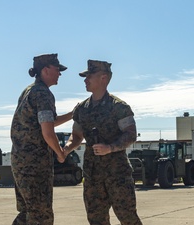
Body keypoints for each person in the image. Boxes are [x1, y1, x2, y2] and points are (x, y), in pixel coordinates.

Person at [63, 60, 142, 225]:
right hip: (92, 176)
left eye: (89, 76)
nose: (85, 80)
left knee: (128, 218)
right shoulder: (82, 109)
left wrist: (110, 148)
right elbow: (76, 136)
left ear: (104, 78)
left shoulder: (119, 107)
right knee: (96, 220)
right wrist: (67, 148)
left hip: (117, 174)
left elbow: (131, 134)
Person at [10, 53, 73, 225]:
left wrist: (73, 114)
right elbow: (47, 132)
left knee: (27, 212)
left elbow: (47, 122)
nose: (60, 73)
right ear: (46, 70)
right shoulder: (43, 94)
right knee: (41, 215)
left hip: (21, 160)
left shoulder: (29, 91)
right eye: (57, 69)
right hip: (35, 164)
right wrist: (60, 152)